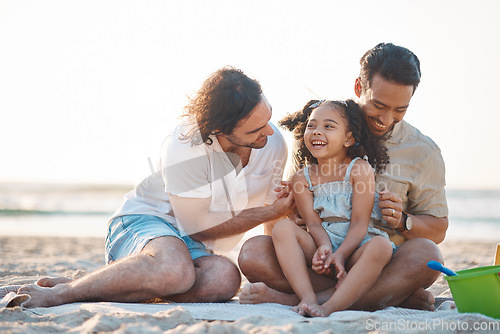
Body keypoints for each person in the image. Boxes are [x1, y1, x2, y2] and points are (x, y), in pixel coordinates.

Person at [18, 67, 295, 308]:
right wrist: (269, 212)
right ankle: (66, 292)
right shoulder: (185, 144)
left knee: (224, 280)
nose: (269, 132)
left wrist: (285, 271)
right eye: (255, 129)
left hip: (192, 244)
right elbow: (200, 224)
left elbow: (274, 212)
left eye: (267, 119)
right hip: (144, 221)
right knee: (175, 271)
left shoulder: (272, 143)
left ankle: (107, 282)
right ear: (220, 130)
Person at [238, 43, 449, 311]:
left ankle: (302, 300)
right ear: (359, 87)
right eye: (378, 105)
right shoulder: (319, 129)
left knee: (428, 255)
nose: (386, 118)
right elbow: (283, 220)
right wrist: (289, 212)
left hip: (378, 259)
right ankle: (387, 296)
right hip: (318, 255)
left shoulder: (423, 151)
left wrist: (404, 221)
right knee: (253, 253)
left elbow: (438, 229)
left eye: (400, 110)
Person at [272, 99, 394, 317]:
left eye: (328, 126)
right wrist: (325, 248)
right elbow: (312, 223)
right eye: (312, 125)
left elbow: (359, 222)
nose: (317, 132)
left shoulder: (359, 169)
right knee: (282, 228)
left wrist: (341, 254)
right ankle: (307, 297)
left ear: (349, 138)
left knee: (382, 246)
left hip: (356, 248)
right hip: (323, 244)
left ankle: (329, 306)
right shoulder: (301, 179)